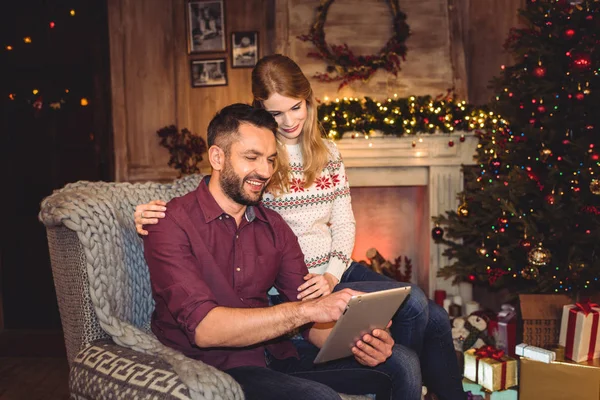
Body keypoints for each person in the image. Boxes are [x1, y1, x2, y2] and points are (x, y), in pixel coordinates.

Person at [136, 55, 466, 400]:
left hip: (296, 321)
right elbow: (206, 329)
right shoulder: (172, 221)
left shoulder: (273, 223)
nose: (263, 171)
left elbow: (314, 316)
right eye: (253, 158)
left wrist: (364, 341)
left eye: (269, 160)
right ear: (218, 157)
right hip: (225, 358)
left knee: (406, 355)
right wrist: (143, 211)